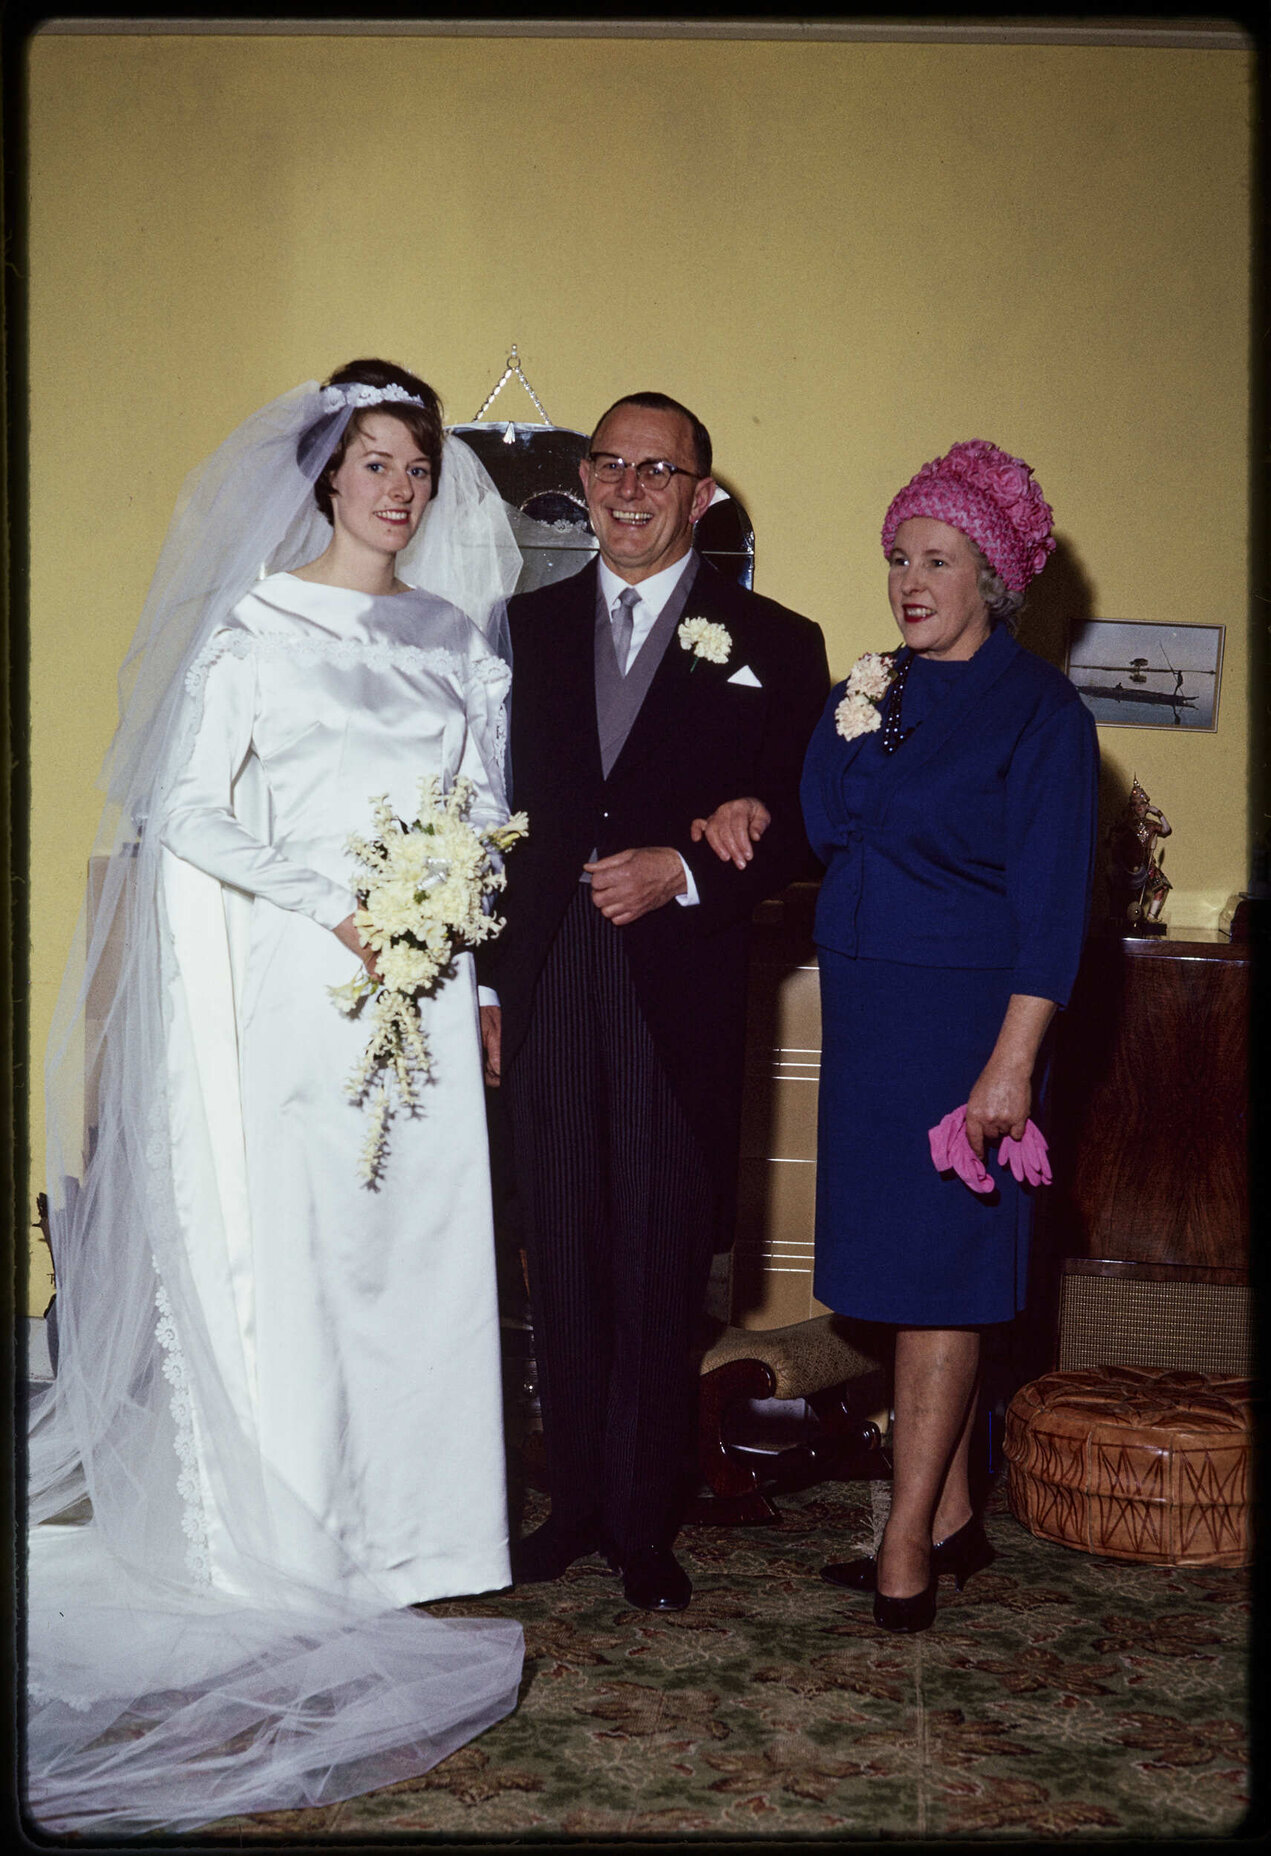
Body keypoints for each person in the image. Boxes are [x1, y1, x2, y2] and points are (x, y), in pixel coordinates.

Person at [27, 360, 525, 1832]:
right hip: (304, 982)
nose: (399, 488)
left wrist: (462, 958)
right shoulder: (256, 624)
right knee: (308, 1253)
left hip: (425, 978)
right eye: (374, 461)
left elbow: (480, 813)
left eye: (416, 466)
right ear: (324, 476)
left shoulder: (455, 637)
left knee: (419, 1257)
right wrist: (333, 904)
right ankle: (303, 1540)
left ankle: (419, 1540)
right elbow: (185, 804)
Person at [480, 391, 829, 1612]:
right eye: (610, 464)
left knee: (655, 1257)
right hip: (544, 975)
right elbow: (474, 811)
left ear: (701, 494)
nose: (629, 488)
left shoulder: (775, 639)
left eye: (657, 469)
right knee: (560, 1249)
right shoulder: (516, 628)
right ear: (584, 480)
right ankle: (572, 1506)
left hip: (674, 988)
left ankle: (641, 1522)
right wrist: (484, 983)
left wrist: (685, 865)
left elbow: (805, 815)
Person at [796, 439, 1098, 1632]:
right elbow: (824, 827)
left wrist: (1010, 1062)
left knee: (941, 1287)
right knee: (899, 1278)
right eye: (896, 558)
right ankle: (956, 1511)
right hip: (868, 1015)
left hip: (964, 1025)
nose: (907, 582)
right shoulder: (871, 688)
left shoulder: (1041, 712)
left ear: (994, 576)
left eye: (935, 559)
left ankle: (903, 1546)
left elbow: (1053, 909)